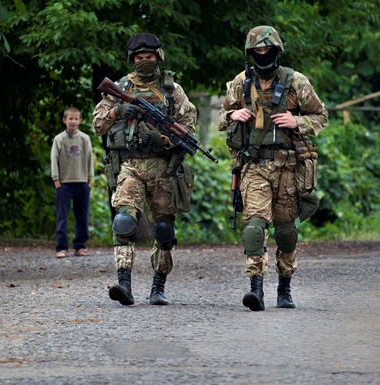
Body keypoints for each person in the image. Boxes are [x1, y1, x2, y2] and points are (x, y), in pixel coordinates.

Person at [218, 26, 328, 311]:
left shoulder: (295, 82)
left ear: (277, 50)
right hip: (254, 165)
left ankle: (284, 287)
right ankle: (256, 288)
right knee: (254, 226)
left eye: (268, 50)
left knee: (286, 231)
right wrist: (232, 114)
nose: (263, 54)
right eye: (258, 50)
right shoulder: (241, 83)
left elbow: (321, 115)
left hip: (289, 167)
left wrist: (298, 122)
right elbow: (221, 116)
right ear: (250, 52)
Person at [92, 32, 197, 306]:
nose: (144, 61)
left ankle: (158, 288)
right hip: (131, 164)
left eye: (149, 57)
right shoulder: (121, 86)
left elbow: (188, 131)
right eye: (139, 58)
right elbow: (97, 125)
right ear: (132, 59)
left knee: (163, 230)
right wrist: (118, 112)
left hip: (163, 167)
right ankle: (124, 285)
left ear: (158, 57)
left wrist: (161, 139)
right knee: (124, 221)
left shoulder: (173, 91)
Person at [50, 106, 94, 258]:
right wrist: (56, 179)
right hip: (64, 183)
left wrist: (90, 179)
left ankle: (80, 245)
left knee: (82, 216)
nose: (73, 121)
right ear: (64, 120)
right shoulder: (59, 139)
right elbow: (54, 160)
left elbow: (90, 159)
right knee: (62, 216)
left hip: (82, 182)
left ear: (80, 121)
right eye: (70, 118)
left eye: (76, 119)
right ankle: (61, 247)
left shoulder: (85, 139)